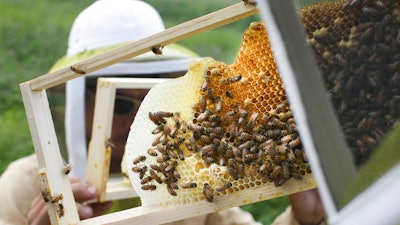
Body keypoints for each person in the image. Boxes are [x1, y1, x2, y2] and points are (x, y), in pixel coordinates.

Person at [0, 1, 325, 225]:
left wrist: (305, 219)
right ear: (73, 103)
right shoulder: (25, 186)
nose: (136, 121)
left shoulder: (192, 181)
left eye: (148, 103)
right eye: (120, 104)